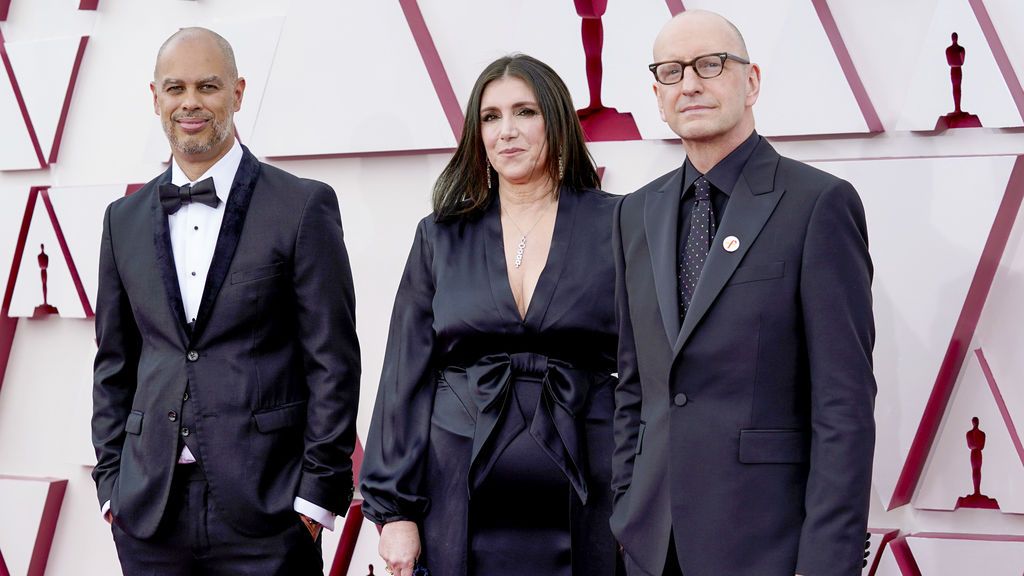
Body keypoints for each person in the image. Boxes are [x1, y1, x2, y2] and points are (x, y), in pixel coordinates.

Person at [610, 10, 875, 576]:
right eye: (672, 71)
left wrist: (828, 561)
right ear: (657, 95)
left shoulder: (817, 205)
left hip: (769, 546)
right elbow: (635, 387)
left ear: (751, 80)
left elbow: (843, 406)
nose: (691, 83)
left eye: (711, 64)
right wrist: (627, 508)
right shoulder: (635, 213)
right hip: (653, 547)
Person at [91, 27, 360, 575]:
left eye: (208, 86)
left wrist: (314, 500)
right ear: (155, 98)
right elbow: (114, 363)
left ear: (237, 94)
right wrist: (110, 485)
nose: (190, 102)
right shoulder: (123, 221)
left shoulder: (302, 206)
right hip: (149, 514)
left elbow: (333, 361)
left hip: (270, 513)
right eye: (175, 88)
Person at [360, 54, 620, 576]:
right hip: (455, 491)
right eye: (491, 117)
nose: (507, 131)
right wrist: (395, 514)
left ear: (557, 119)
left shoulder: (620, 222)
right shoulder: (440, 235)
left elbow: (647, 369)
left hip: (592, 490)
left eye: (524, 112)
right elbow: (403, 379)